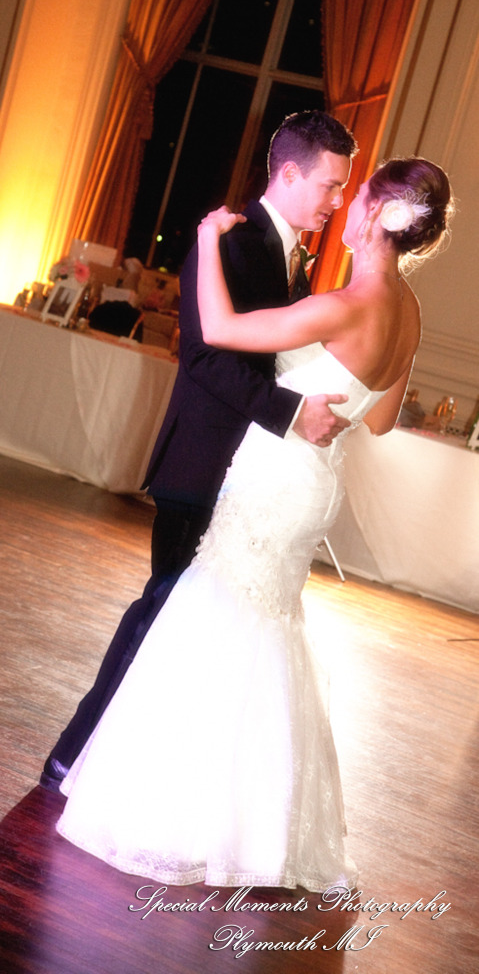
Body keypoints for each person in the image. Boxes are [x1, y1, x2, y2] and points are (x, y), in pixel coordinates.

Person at [56, 156, 454, 891]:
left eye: (357, 196)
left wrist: (208, 239)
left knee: (217, 624)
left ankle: (188, 814)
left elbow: (221, 327)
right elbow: (381, 419)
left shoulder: (349, 302)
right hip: (314, 486)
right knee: (264, 631)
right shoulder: (407, 310)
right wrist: (337, 395)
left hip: (274, 484)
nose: (345, 204)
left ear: (376, 212)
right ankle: (257, 820)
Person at [41, 110, 357, 792]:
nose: (336, 201)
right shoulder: (231, 243)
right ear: (289, 173)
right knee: (159, 613)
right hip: (203, 465)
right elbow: (205, 358)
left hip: (250, 478)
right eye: (330, 185)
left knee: (190, 630)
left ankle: (141, 772)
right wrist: (291, 413)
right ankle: (71, 753)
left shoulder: (291, 257)